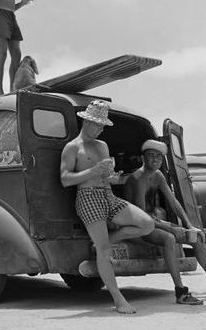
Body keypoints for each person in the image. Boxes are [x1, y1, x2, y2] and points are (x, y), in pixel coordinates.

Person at [60, 100, 155, 314]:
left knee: (146, 224)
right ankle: (118, 299)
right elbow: (65, 179)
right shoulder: (73, 147)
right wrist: (93, 172)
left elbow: (108, 177)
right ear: (87, 121)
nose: (102, 129)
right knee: (104, 251)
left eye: (103, 125)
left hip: (108, 195)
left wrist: (113, 177)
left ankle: (106, 242)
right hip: (88, 199)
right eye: (99, 125)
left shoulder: (103, 145)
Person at [123, 139, 206, 304]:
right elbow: (141, 215)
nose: (155, 160)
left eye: (159, 157)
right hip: (138, 225)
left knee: (197, 237)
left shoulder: (157, 175)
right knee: (169, 238)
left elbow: (173, 202)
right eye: (151, 156)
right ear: (143, 158)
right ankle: (180, 292)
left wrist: (189, 225)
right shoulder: (137, 178)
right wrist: (170, 228)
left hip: (153, 222)